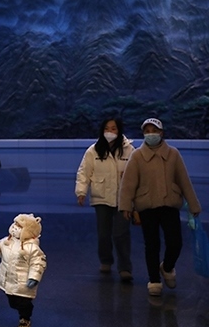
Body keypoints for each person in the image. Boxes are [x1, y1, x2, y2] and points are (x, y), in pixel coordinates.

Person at [119, 118, 201, 297]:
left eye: (154, 131)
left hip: (169, 204)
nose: (151, 134)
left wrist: (194, 205)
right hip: (146, 205)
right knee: (152, 244)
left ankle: (167, 267)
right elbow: (128, 183)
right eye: (147, 131)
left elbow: (184, 181)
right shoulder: (137, 156)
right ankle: (154, 280)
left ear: (161, 133)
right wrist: (126, 206)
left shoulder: (173, 154)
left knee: (175, 242)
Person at [75, 117, 135, 282]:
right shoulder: (93, 150)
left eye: (113, 128)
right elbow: (84, 172)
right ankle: (106, 261)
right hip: (101, 197)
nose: (110, 132)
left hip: (123, 199)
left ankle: (125, 268)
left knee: (121, 234)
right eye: (107, 128)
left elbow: (136, 174)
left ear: (119, 130)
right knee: (103, 234)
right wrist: (81, 192)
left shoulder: (129, 150)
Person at [0, 213, 47, 327]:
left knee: (23, 302)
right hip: (8, 279)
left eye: (19, 226)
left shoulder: (32, 248)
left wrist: (34, 277)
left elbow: (38, 263)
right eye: (14, 224)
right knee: (13, 301)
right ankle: (23, 312)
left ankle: (25, 319)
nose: (14, 227)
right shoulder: (7, 241)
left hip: (23, 282)